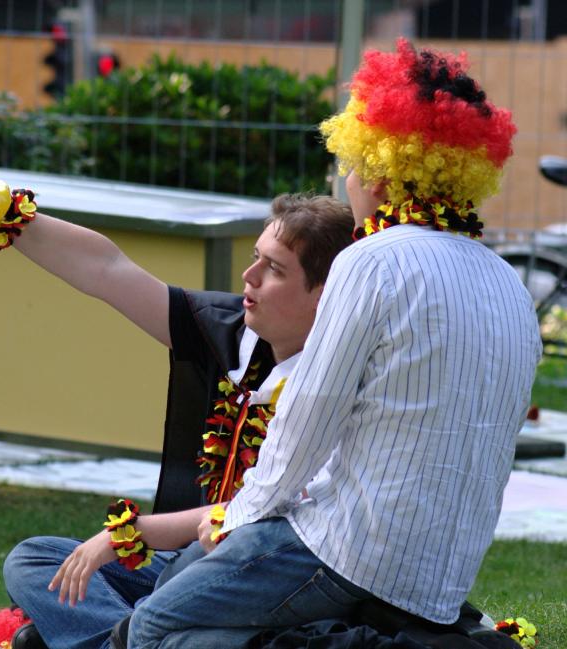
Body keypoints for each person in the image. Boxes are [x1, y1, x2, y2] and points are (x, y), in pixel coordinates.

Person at [113, 38, 542, 649]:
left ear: (382, 166)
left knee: (153, 624)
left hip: (347, 548)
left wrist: (234, 519)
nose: (346, 177)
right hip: (439, 576)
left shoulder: (372, 260)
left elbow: (305, 421)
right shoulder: (507, 281)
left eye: (351, 158)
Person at [2, 193, 355, 649]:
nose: (248, 277)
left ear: (324, 297)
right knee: (36, 559)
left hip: (262, 576)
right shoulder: (232, 330)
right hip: (189, 554)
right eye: (255, 258)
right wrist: (7, 216)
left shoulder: (340, 384)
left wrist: (131, 533)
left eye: (275, 269)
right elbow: (107, 271)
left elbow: (270, 516)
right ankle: (128, 637)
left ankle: (111, 636)